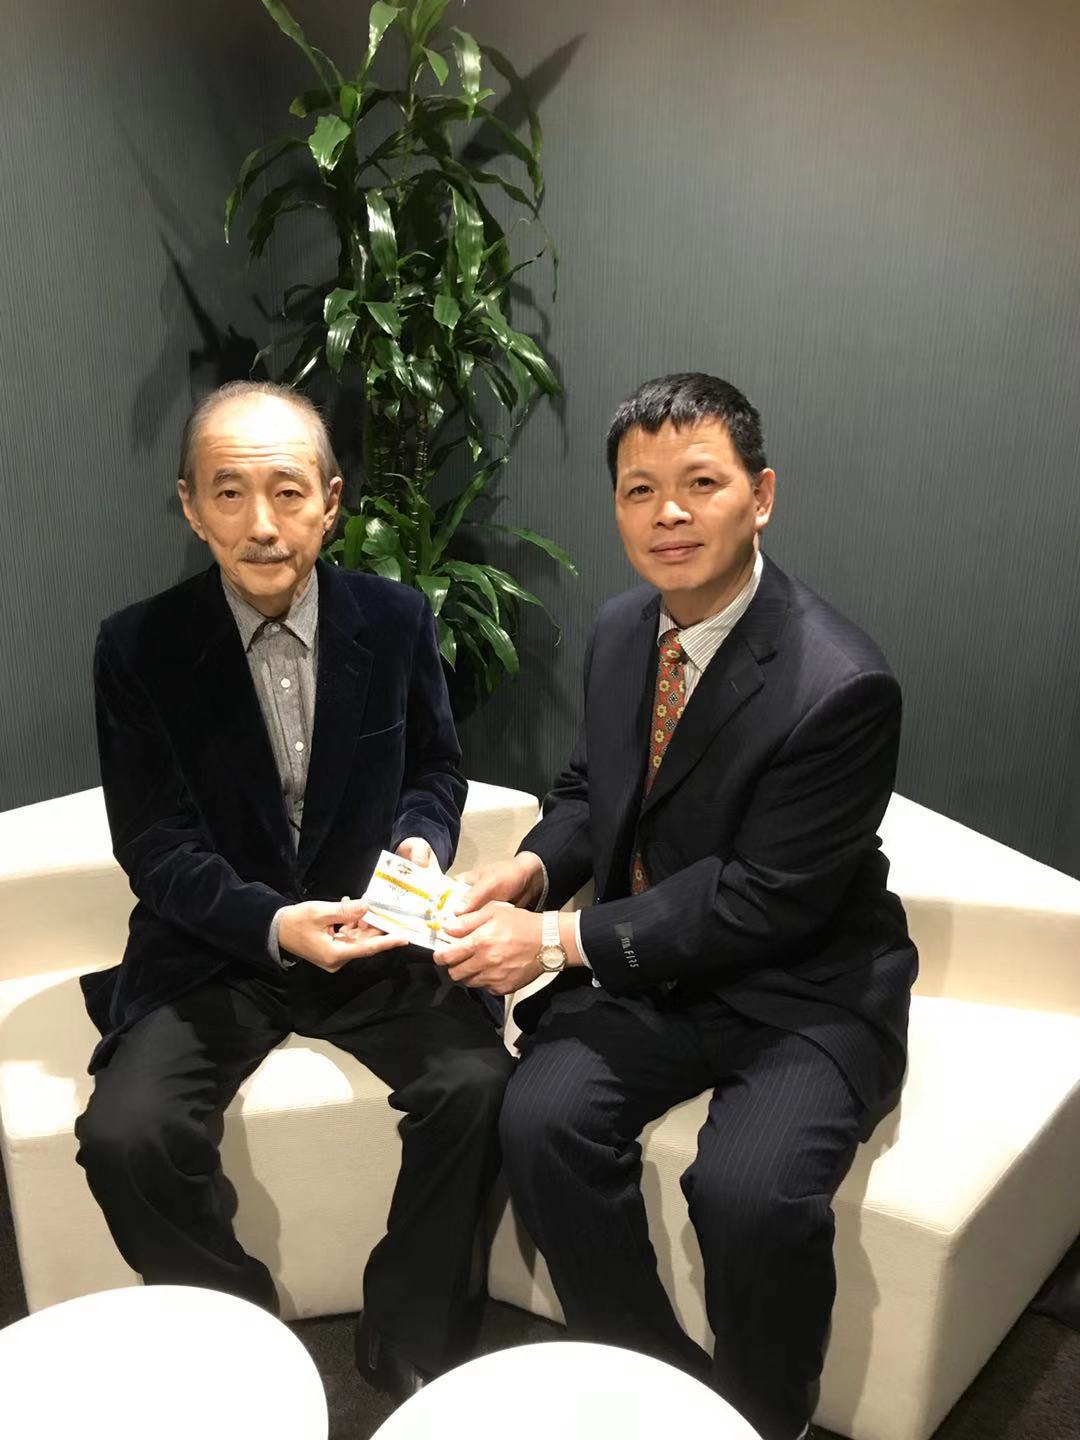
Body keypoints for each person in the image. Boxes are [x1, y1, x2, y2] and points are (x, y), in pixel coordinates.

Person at [440, 373, 918, 1440]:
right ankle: (659, 1395)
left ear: (762, 496)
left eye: (701, 483)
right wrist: (528, 871)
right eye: (639, 490)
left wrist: (553, 939)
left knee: (748, 1193)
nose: (669, 513)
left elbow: (762, 901)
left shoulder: (841, 682)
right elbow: (588, 792)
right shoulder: (623, 629)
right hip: (654, 972)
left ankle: (763, 1420)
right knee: (540, 1120)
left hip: (802, 986)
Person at [75, 380, 513, 1400]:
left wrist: (418, 845)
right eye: (229, 493)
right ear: (191, 507)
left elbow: (435, 771)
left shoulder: (396, 619)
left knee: (479, 1086)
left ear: (330, 501)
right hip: (219, 947)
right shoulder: (136, 647)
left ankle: (408, 1323)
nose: (261, 524)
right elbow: (153, 843)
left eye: (286, 491)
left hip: (372, 936)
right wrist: (273, 923)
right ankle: (236, 1328)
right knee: (124, 1136)